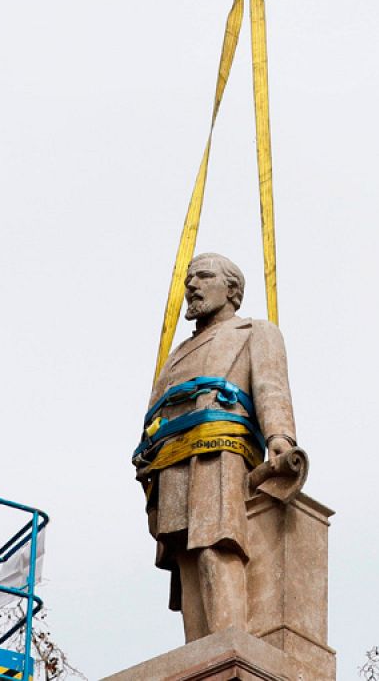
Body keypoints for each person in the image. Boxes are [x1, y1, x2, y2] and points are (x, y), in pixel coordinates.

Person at [134, 253, 298, 642]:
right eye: (189, 278)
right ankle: (201, 649)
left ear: (232, 289)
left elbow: (271, 387)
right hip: (172, 459)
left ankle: (230, 641)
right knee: (184, 554)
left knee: (215, 544)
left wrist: (280, 437)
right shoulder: (175, 355)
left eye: (203, 276)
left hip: (220, 450)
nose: (192, 285)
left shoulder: (254, 331)